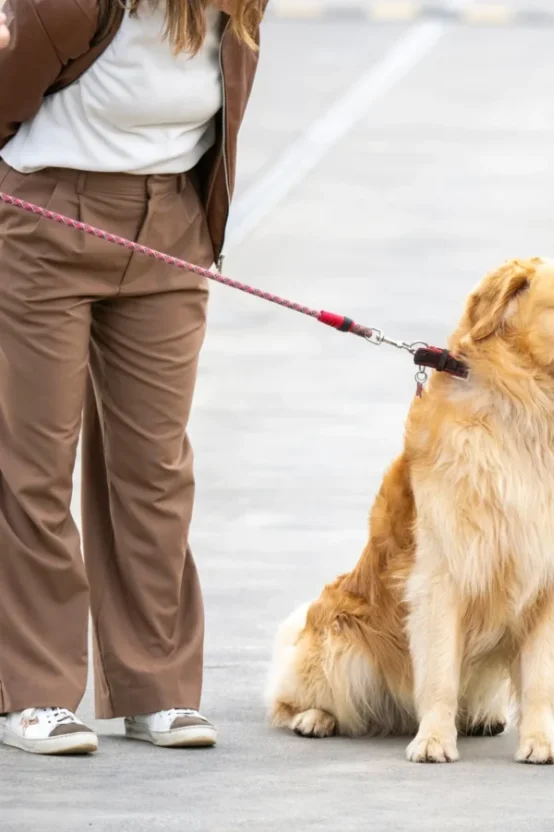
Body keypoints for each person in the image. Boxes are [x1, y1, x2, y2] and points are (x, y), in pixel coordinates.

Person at [0, 0, 264, 755]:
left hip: (170, 227)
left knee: (154, 467)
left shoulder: (239, 7)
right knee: (33, 465)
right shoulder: (73, 4)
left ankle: (156, 689)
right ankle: (35, 693)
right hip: (48, 219)